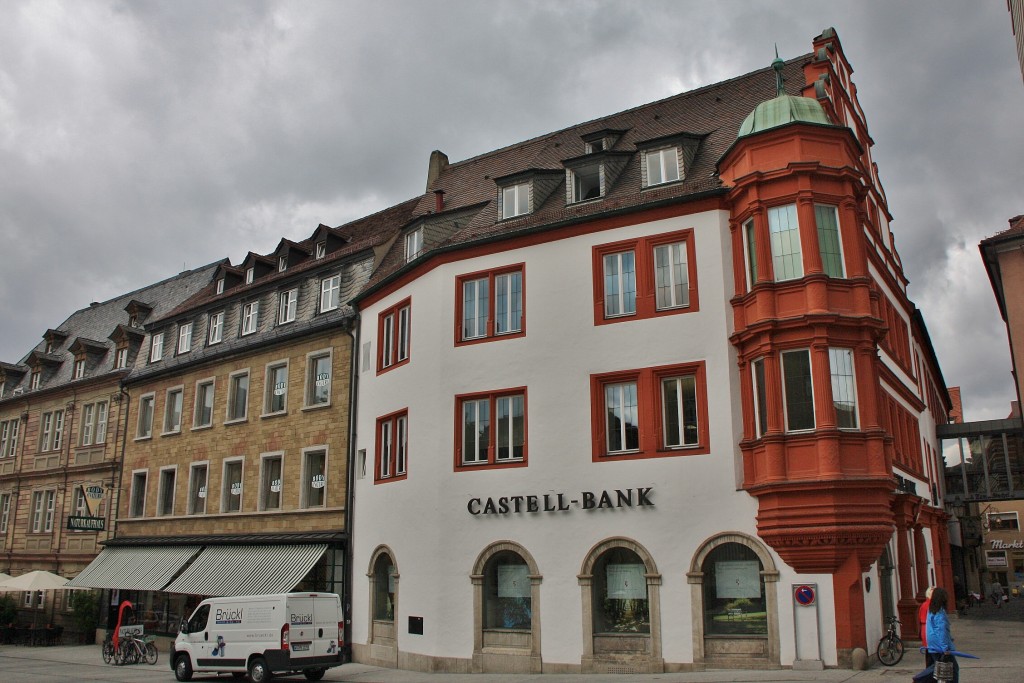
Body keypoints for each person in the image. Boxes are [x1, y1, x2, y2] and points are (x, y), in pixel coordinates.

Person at [926, 587, 958, 683]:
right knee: (952, 670)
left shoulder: (931, 610)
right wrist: (945, 648)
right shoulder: (940, 612)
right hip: (940, 646)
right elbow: (941, 630)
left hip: (932, 645)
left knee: (939, 671)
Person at [918, 586, 935, 667]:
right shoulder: (930, 605)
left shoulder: (924, 605)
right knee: (932, 655)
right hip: (929, 630)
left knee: (929, 654)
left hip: (925, 629)